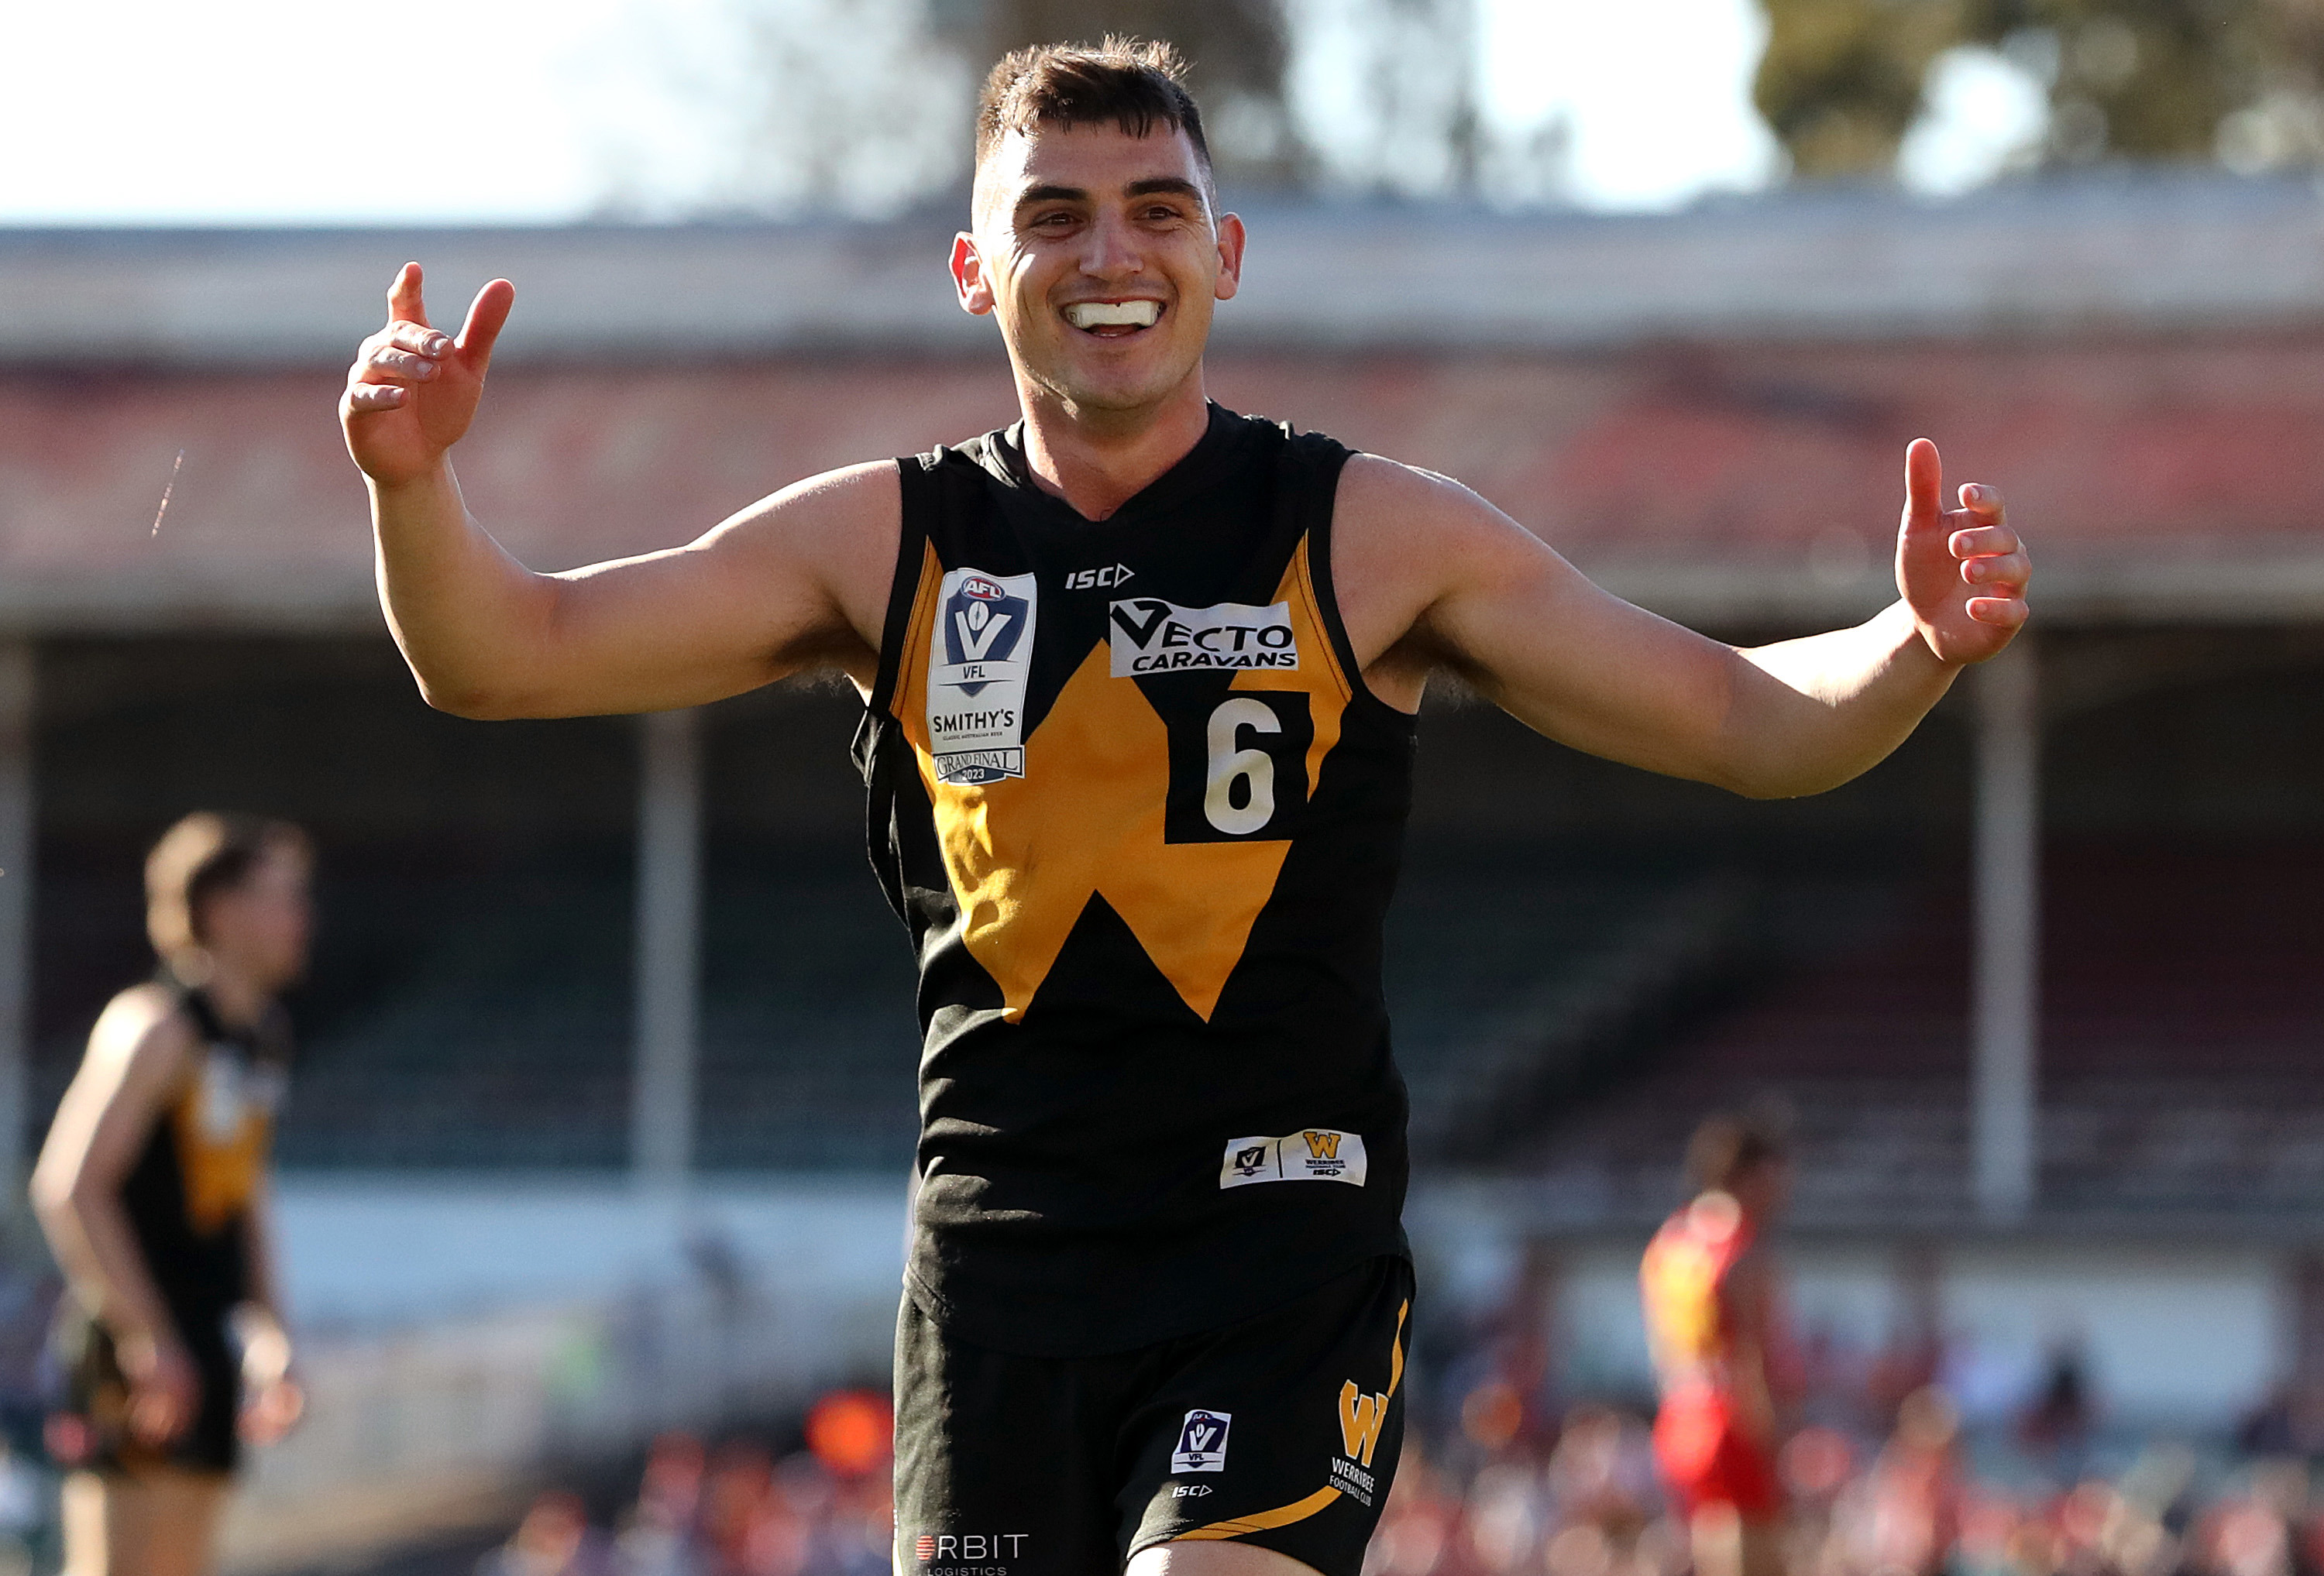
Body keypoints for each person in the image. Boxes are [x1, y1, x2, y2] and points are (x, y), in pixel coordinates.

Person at [338, 39, 2030, 1576]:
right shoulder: (881, 542)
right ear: (971, 269)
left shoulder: (1372, 535)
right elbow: (508, 654)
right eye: (1053, 216)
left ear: (1220, 256)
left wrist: (1905, 644)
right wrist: (413, 490)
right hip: (995, 1282)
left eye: (1156, 210)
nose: (1108, 256)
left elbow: (1736, 718)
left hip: (1276, 1256)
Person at [30, 813, 311, 1576]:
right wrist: (147, 1338)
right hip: (139, 1348)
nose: (301, 920)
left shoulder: (262, 1034)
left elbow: (243, 1190)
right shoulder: (154, 1026)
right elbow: (69, 1184)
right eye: (282, 898)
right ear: (220, 910)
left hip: (205, 1339)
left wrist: (272, 1334)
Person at [1639, 1115, 1802, 1576]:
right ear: (1747, 1176)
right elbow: (1752, 1354)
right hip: (1733, 1418)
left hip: (1681, 1411)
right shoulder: (1744, 1251)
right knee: (1753, 1550)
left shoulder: (1670, 1242)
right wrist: (1773, 1433)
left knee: (1708, 1539)